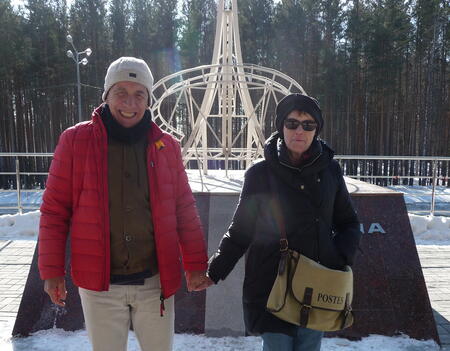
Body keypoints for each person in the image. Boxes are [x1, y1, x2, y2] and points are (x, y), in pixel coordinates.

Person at [38, 56, 209, 351]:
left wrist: (195, 264)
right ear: (106, 95)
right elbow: (55, 210)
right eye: (121, 93)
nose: (130, 103)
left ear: (148, 99)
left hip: (155, 283)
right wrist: (52, 271)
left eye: (139, 94)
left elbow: (183, 208)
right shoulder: (75, 141)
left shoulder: (166, 146)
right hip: (101, 287)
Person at [204, 93, 361, 350]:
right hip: (272, 284)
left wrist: (339, 256)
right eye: (292, 123)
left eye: (308, 125)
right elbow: (241, 230)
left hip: (317, 283)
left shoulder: (330, 171)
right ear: (281, 126)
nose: (300, 131)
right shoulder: (260, 174)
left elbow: (348, 222)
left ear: (316, 129)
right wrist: (214, 271)